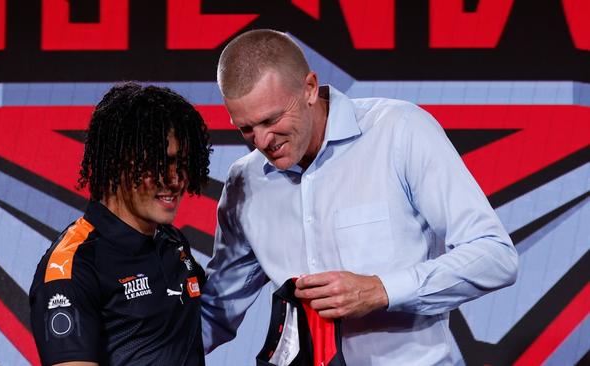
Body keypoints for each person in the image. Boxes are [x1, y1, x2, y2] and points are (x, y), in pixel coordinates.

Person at [201, 29, 518, 365]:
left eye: (271, 119)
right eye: (245, 128)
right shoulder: (244, 181)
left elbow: (495, 256)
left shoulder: (399, 131)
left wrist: (382, 290)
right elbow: (217, 310)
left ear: (309, 88)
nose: (262, 141)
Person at [29, 82, 212, 365]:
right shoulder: (71, 268)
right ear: (117, 163)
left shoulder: (172, 242)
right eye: (162, 164)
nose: (176, 179)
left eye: (183, 163)